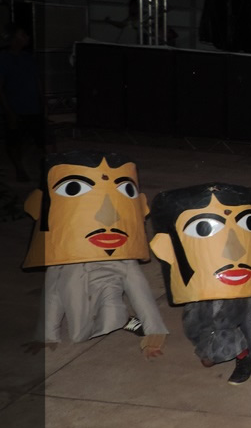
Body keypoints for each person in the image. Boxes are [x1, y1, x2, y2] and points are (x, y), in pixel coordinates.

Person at [21, 151, 168, 358]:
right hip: (76, 272)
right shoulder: (63, 260)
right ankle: (112, 316)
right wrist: (46, 335)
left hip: (110, 281)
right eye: (73, 188)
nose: (106, 217)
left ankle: (122, 318)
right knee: (79, 332)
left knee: (111, 316)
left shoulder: (124, 261)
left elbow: (141, 294)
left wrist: (154, 336)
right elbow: (52, 294)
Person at [150, 183, 251, 385]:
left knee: (224, 342)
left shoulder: (245, 295)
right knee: (206, 352)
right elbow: (192, 323)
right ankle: (214, 348)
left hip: (230, 322)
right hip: (207, 296)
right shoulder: (198, 289)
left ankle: (243, 357)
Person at [0, 24, 44, 181]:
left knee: (39, 139)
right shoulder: (4, 59)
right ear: (12, 39)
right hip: (15, 107)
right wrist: (8, 110)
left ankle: (44, 168)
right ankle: (19, 169)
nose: (26, 38)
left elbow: (37, 81)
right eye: (22, 35)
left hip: (32, 106)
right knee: (14, 140)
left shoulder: (28, 57)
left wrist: (42, 101)